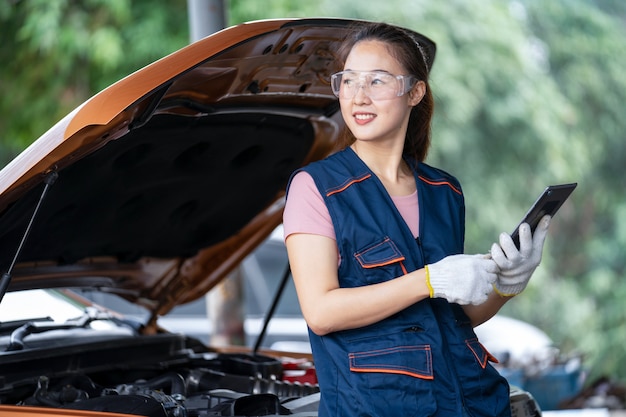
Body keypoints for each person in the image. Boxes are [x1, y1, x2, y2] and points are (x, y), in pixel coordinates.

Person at [283, 21, 550, 417]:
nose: (359, 96)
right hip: (377, 407)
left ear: (415, 92)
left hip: (473, 403)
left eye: (377, 81)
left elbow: (451, 317)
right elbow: (322, 313)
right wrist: (427, 279)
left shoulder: (445, 191)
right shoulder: (316, 187)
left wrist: (506, 287)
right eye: (350, 80)